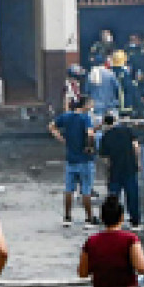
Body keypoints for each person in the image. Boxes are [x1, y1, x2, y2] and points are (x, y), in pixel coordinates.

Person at [49, 97, 97, 227]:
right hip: (85, 160)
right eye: (90, 103)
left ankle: (67, 217)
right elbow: (90, 134)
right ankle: (89, 218)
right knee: (86, 190)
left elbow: (52, 126)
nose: (92, 106)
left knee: (69, 189)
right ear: (85, 105)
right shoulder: (85, 118)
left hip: (71, 159)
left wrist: (61, 138)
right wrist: (90, 147)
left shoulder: (67, 117)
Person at [99, 113, 142, 231]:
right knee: (132, 195)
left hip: (115, 171)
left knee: (113, 197)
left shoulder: (105, 136)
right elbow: (136, 146)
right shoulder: (127, 131)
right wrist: (138, 162)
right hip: (130, 168)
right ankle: (135, 221)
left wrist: (108, 170)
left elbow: (105, 158)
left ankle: (113, 221)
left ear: (105, 123)